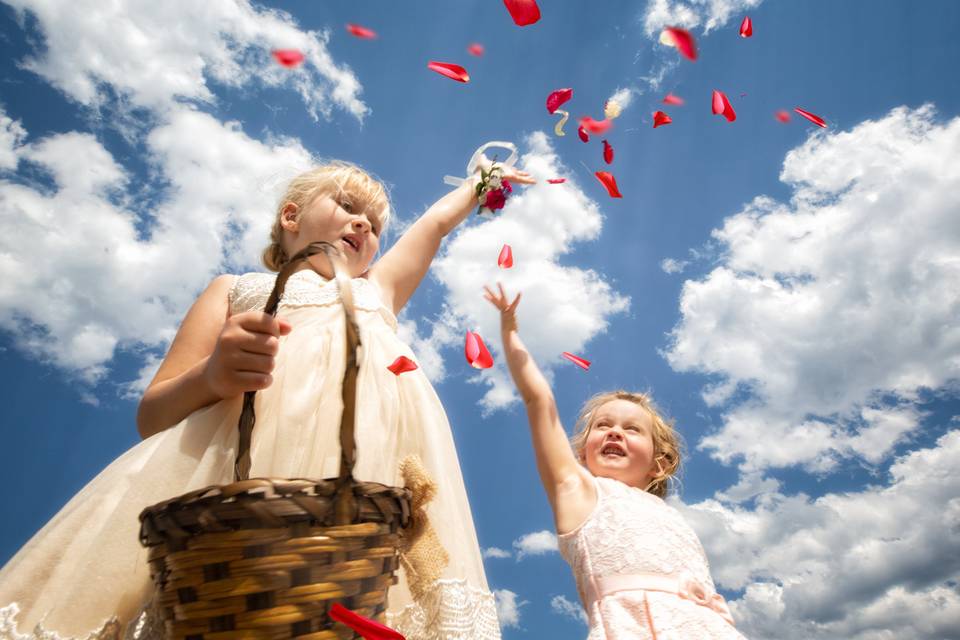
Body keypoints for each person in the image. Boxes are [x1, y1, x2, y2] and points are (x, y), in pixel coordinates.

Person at [0, 157, 532, 640]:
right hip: (227, 478)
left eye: (374, 222)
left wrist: (478, 182)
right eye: (347, 206)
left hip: (356, 488)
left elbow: (434, 225)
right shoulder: (237, 289)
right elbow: (153, 414)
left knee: (340, 609)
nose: (364, 223)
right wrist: (213, 377)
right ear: (290, 217)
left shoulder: (378, 291)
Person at [484, 283, 747, 639]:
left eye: (632, 429)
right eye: (603, 426)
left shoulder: (673, 518)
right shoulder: (579, 490)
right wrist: (510, 330)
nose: (614, 433)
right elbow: (538, 401)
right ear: (581, 455)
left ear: (660, 463)